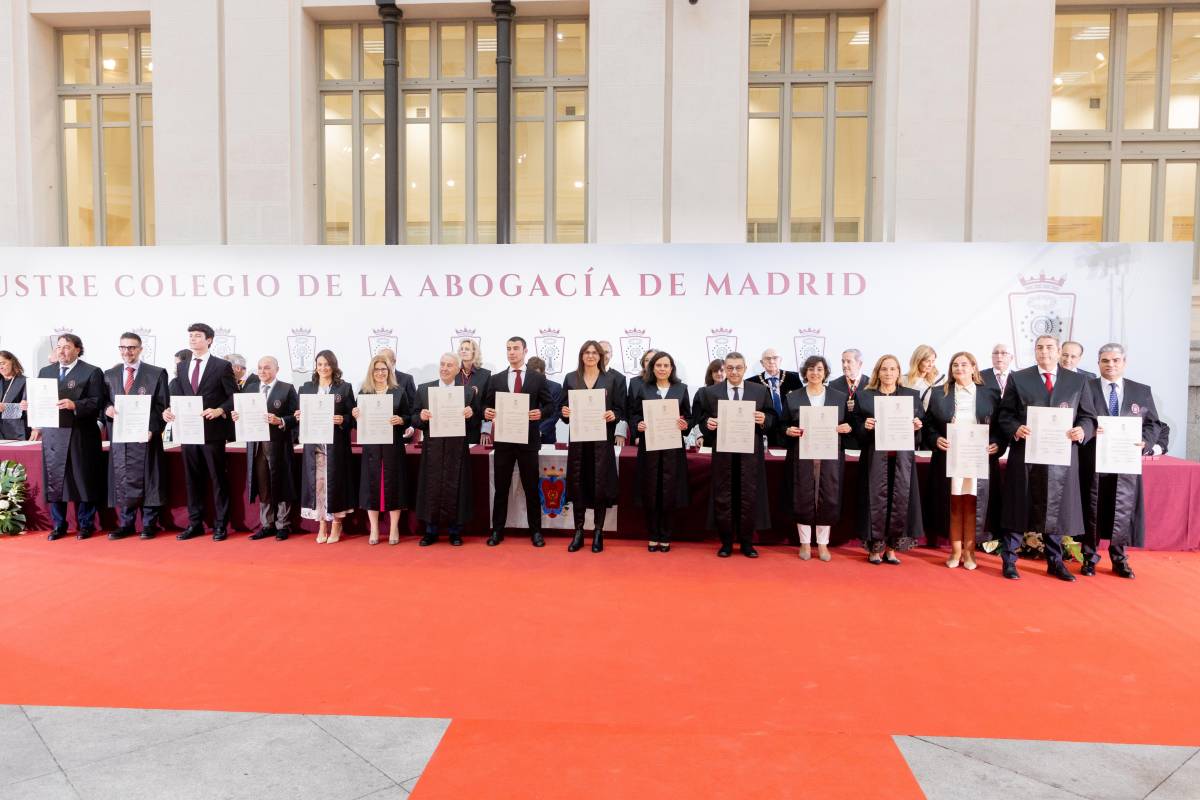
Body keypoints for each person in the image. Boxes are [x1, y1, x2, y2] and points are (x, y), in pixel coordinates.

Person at [997, 334, 1097, 582]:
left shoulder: (1078, 381)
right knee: (1018, 506)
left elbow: (1088, 416)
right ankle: (1009, 560)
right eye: (1039, 347)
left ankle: (1055, 562)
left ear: (1059, 351)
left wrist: (1082, 430)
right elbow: (1005, 414)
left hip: (1061, 457)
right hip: (1026, 455)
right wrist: (1015, 428)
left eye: (1050, 347)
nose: (1045, 352)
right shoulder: (1019, 378)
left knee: (1056, 510)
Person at [1080, 343, 1160, 579]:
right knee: (1092, 508)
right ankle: (1089, 558)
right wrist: (1090, 430)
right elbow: (1079, 419)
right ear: (1098, 363)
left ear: (1124, 362)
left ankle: (1120, 560)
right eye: (1105, 361)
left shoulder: (1141, 391)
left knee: (1121, 508)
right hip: (1093, 460)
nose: (1110, 365)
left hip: (1125, 461)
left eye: (1116, 360)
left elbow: (1153, 424)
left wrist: (1145, 442)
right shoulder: (1086, 387)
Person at [923, 352, 1003, 568]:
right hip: (951, 458)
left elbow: (1000, 425)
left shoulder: (990, 393)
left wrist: (997, 443)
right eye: (955, 365)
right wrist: (935, 439)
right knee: (955, 504)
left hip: (979, 458)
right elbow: (928, 424)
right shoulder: (938, 393)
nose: (959, 368)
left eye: (964, 364)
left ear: (974, 367)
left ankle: (970, 552)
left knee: (973, 504)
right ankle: (955, 551)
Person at [694, 352, 775, 558]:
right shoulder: (710, 392)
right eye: (730, 368)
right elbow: (701, 419)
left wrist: (764, 419)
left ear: (745, 368)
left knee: (749, 495)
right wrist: (707, 424)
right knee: (724, 495)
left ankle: (747, 543)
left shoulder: (760, 390)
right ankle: (726, 543)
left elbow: (772, 418)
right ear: (725, 369)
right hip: (723, 453)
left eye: (738, 367)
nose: (734, 372)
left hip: (751, 453)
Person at [163, 323, 237, 541]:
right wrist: (168, 410)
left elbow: (234, 396)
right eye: (191, 336)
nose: (193, 339)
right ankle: (195, 523)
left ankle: (221, 525)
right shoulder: (182, 367)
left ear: (209, 340)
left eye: (197, 335)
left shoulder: (222, 366)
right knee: (192, 480)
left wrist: (220, 410)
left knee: (217, 479)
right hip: (188, 431)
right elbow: (178, 396)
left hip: (213, 432)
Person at [27, 334, 106, 540]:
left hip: (81, 434)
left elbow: (98, 402)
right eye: (59, 347)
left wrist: (75, 405)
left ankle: (86, 525)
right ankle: (59, 525)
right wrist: (30, 406)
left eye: (67, 347)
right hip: (53, 435)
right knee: (55, 480)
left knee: (83, 479)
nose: (61, 351)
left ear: (78, 349)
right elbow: (39, 400)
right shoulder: (46, 372)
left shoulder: (91, 372)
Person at [852, 354, 925, 564]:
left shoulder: (911, 396)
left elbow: (919, 434)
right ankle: (875, 548)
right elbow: (856, 431)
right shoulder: (865, 397)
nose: (888, 373)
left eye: (893, 369)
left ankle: (892, 549)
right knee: (875, 503)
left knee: (899, 502)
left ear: (899, 372)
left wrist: (917, 428)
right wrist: (865, 427)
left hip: (902, 460)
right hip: (874, 459)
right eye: (884, 369)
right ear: (877, 372)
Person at [482, 336, 555, 547]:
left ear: (525, 351)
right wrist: (486, 412)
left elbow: (550, 406)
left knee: (531, 489)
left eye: (515, 348)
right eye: (508, 348)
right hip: (503, 442)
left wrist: (540, 413)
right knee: (501, 489)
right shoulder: (495, 379)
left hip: (528, 442)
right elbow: (485, 406)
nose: (511, 352)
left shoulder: (537, 378)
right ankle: (497, 531)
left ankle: (536, 532)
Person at [781, 355, 852, 562]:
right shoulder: (793, 397)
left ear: (825, 372)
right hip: (801, 454)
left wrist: (847, 428)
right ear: (805, 373)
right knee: (802, 496)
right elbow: (781, 425)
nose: (815, 373)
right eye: (811, 369)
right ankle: (804, 543)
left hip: (830, 456)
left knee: (827, 497)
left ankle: (822, 543)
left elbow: (851, 424)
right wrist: (788, 430)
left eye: (819, 369)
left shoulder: (839, 397)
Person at [103, 332, 170, 540]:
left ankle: (149, 524)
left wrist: (153, 428)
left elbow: (162, 406)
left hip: (146, 435)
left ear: (140, 349)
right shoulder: (110, 374)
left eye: (132, 347)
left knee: (149, 478)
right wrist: (107, 409)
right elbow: (103, 401)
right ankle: (126, 524)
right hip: (121, 436)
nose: (127, 351)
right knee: (123, 478)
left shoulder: (156, 373)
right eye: (123, 347)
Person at [560, 340, 625, 553]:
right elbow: (563, 408)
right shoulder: (571, 378)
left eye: (594, 352)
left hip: (601, 443)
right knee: (578, 485)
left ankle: (598, 531)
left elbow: (620, 409)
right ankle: (578, 532)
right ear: (581, 355)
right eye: (586, 352)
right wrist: (565, 412)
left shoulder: (614, 379)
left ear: (600, 356)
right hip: (579, 443)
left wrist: (614, 414)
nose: (590, 356)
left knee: (600, 485)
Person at [628, 351, 690, 553]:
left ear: (672, 368)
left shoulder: (681, 389)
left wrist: (685, 425)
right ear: (652, 368)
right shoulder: (643, 388)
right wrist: (638, 424)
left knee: (669, 492)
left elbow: (689, 417)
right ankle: (653, 535)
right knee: (651, 490)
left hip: (673, 449)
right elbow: (634, 415)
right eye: (658, 365)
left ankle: (666, 535)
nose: (662, 369)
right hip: (650, 448)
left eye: (666, 365)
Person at [414, 353, 477, 545]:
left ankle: (455, 532)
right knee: (431, 487)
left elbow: (475, 423)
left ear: (458, 369)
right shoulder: (424, 389)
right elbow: (413, 418)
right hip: (432, 448)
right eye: (442, 364)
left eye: (449, 365)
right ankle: (430, 531)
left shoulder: (467, 393)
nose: (444, 368)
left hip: (457, 449)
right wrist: (421, 417)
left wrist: (471, 414)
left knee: (456, 487)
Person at [234, 356, 298, 542]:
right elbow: (243, 414)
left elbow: (296, 417)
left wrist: (281, 421)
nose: (262, 371)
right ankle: (267, 524)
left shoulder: (287, 389)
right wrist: (237, 416)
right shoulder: (250, 388)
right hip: (256, 446)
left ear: (277, 369)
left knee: (282, 483)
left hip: (279, 445)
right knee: (262, 484)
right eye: (260, 367)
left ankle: (283, 524)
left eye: (267, 367)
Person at [295, 350, 356, 544]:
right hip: (314, 445)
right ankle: (321, 524)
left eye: (327, 364)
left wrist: (342, 419)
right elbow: (299, 415)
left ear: (333, 366)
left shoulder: (344, 388)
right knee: (318, 484)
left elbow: (353, 418)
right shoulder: (306, 388)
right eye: (320, 364)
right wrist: (298, 416)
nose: (323, 368)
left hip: (336, 445)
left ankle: (337, 523)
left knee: (335, 483)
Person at [354, 354, 410, 546]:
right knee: (371, 486)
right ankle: (374, 528)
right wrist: (355, 414)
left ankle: (394, 528)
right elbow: (357, 423)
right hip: (371, 448)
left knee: (394, 485)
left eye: (383, 369)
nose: (380, 373)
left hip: (393, 446)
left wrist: (401, 420)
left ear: (389, 371)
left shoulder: (398, 392)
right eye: (376, 369)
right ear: (371, 372)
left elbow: (408, 417)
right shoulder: (364, 393)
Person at [754, 347, 802, 447]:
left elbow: (801, 405)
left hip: (790, 431)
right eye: (767, 358)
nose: (771, 361)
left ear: (780, 360)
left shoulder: (794, 379)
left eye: (775, 358)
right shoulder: (753, 382)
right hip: (765, 433)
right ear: (762, 363)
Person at [376, 347, 419, 444]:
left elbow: (414, 406)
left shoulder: (406, 379)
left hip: (400, 434)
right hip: (376, 434)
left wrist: (411, 426)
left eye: (385, 360)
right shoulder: (372, 381)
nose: (381, 363)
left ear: (394, 361)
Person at [828, 349, 868, 449]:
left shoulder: (871, 384)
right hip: (841, 441)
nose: (844, 365)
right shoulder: (833, 385)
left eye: (849, 361)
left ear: (859, 364)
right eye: (843, 361)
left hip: (865, 440)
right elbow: (830, 414)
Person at [456, 338, 491, 445]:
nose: (463, 351)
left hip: (475, 429)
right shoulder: (453, 373)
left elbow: (488, 404)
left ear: (474, 352)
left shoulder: (485, 375)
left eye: (467, 349)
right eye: (461, 349)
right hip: (454, 427)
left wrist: (486, 430)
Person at [622, 349, 657, 448]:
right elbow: (631, 412)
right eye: (647, 360)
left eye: (653, 359)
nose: (649, 362)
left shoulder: (670, 384)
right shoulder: (635, 383)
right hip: (640, 435)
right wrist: (636, 435)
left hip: (663, 433)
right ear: (643, 363)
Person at [686, 359, 725, 446]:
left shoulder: (734, 392)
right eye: (715, 371)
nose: (719, 373)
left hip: (729, 439)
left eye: (722, 370)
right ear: (711, 373)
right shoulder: (702, 393)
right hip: (707, 439)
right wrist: (699, 436)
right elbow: (696, 418)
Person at [527, 356, 561, 444]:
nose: (533, 378)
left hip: (547, 437)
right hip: (525, 436)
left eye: (536, 374)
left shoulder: (556, 387)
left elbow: (556, 413)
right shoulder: (523, 387)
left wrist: (540, 430)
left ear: (543, 373)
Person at [901, 344, 940, 412]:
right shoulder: (903, 380)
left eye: (933, 361)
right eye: (927, 361)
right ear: (917, 361)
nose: (931, 365)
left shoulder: (938, 380)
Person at [0, 350, 28, 440]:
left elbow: (27, 410)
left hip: (16, 432)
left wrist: (6, 408)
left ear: (12, 362)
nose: (0, 367)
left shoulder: (25, 382)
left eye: (3, 363)